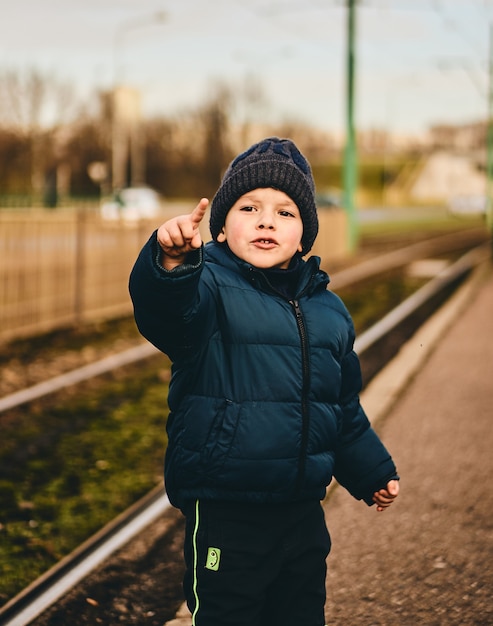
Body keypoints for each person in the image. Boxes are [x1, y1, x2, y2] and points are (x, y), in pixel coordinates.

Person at [129, 137, 399, 626]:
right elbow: (165, 314)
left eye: (286, 212)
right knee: (227, 614)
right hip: (226, 511)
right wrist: (170, 264)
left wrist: (370, 470)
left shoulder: (329, 311)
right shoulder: (205, 285)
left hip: (301, 512)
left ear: (304, 236)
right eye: (249, 207)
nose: (266, 220)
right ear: (223, 227)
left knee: (300, 613)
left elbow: (340, 408)